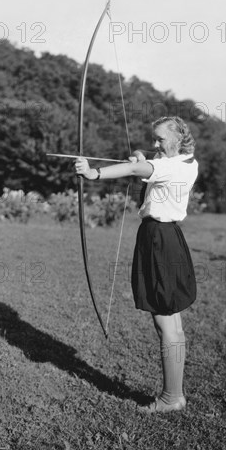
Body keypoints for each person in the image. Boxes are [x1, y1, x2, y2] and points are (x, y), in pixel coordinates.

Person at [75, 116, 198, 413]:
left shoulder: (169, 166)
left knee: (164, 321)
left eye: (159, 139)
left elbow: (133, 168)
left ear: (178, 138)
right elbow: (148, 168)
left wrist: (92, 173)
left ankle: (171, 398)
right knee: (173, 321)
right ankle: (175, 395)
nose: (155, 144)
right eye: (153, 139)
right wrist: (145, 158)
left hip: (159, 239)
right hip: (167, 237)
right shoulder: (186, 162)